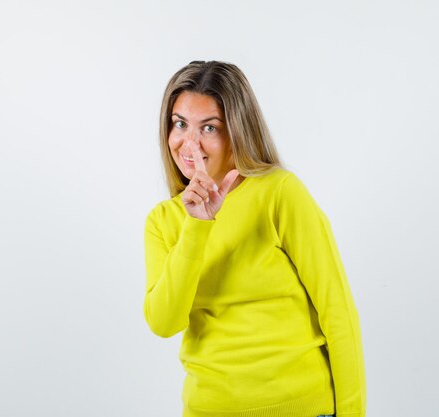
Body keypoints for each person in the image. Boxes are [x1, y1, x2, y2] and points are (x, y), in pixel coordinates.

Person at [143, 60, 366, 417]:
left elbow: (337, 311)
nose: (189, 143)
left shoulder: (280, 192)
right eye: (180, 124)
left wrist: (353, 413)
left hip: (302, 408)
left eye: (210, 128)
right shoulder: (164, 221)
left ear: (237, 131)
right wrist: (197, 225)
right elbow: (164, 322)